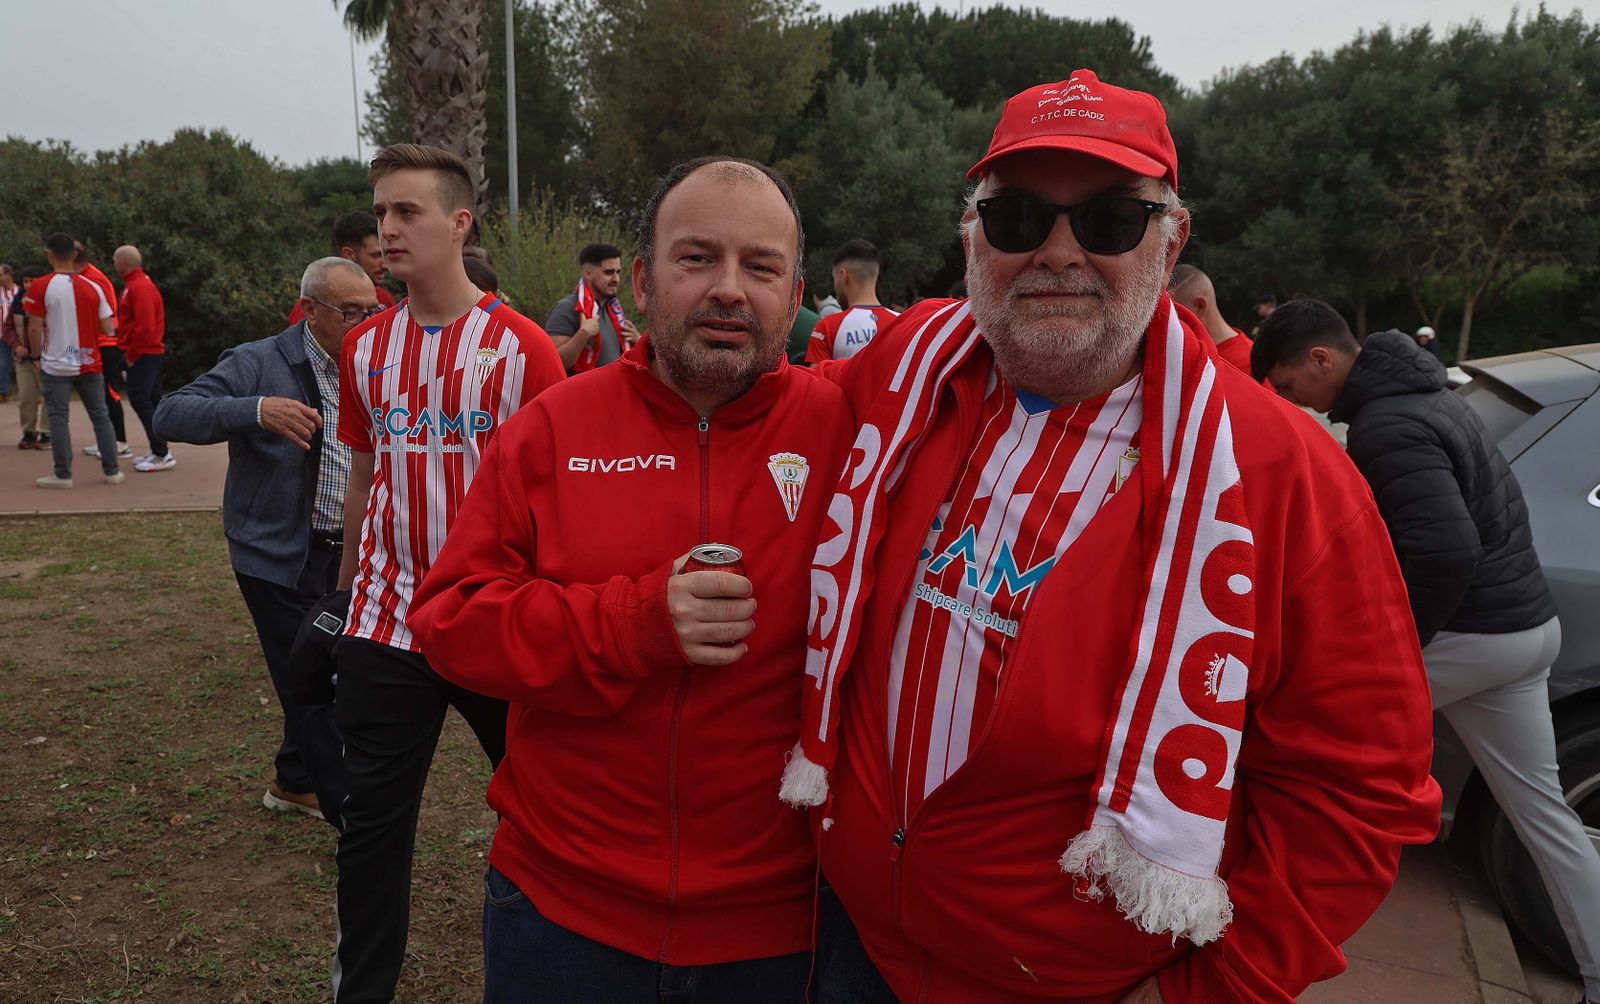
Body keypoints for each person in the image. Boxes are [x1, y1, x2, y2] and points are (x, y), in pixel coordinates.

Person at [782, 71, 1442, 1002]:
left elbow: (1360, 793)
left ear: (1171, 242)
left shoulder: (1283, 474)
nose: (1056, 252)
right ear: (972, 238)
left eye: (1107, 222)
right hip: (857, 947)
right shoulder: (905, 376)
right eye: (1016, 219)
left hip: (1075, 984)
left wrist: (1212, 991)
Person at [408, 156, 853, 1001]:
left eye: (760, 267)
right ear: (642, 283)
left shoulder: (851, 433)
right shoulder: (552, 426)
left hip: (776, 929)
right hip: (562, 914)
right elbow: (450, 619)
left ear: (795, 300)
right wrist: (632, 623)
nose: (729, 289)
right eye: (697, 258)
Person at [1252, 298, 1600, 1004]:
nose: (1297, 405)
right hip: (1527, 632)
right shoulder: (1428, 393)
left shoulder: (1389, 423)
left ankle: (1251, 932)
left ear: (1321, 360)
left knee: (1287, 743)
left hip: (1477, 637)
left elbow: (1444, 548)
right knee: (1544, 816)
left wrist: (1393, 650)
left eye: (1289, 388)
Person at [330, 143, 566, 1003]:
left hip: (495, 619)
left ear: (459, 224)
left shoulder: (524, 348)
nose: (385, 231)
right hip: (387, 623)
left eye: (406, 212)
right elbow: (363, 475)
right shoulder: (364, 349)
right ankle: (362, 989)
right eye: (381, 213)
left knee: (544, 813)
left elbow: (553, 498)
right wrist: (346, 589)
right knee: (371, 830)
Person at [155, 256, 379, 826]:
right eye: (349, 311)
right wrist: (254, 410)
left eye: (371, 309)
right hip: (276, 558)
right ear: (309, 310)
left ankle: (293, 780)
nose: (364, 321)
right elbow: (170, 414)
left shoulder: (377, 360)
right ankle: (349, 814)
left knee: (313, 665)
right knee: (317, 686)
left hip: (348, 550)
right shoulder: (258, 361)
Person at [23, 233, 124, 489]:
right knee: (100, 416)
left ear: (50, 255)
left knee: (58, 418)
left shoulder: (42, 286)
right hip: (88, 359)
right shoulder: (94, 286)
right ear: (74, 254)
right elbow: (107, 327)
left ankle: (63, 474)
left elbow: (34, 328)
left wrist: (36, 356)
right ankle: (112, 471)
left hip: (56, 362)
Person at [112, 245, 173, 471]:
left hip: (145, 353)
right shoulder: (134, 285)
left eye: (115, 260)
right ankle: (159, 448)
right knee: (152, 399)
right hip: (145, 352)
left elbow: (146, 327)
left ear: (122, 262)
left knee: (141, 399)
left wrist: (131, 354)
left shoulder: (140, 287)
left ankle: (161, 452)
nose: (114, 265)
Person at [72, 241, 131, 459]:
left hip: (105, 345)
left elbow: (108, 316)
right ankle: (105, 440)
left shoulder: (94, 278)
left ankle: (120, 442)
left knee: (109, 392)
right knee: (95, 394)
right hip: (88, 345)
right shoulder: (77, 277)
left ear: (75, 254)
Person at [545, 242, 639, 374]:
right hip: (582, 393)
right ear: (588, 274)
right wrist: (583, 334)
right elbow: (553, 363)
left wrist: (639, 342)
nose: (616, 279)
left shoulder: (614, 311)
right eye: (609, 272)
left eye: (618, 272)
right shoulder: (567, 308)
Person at [287, 212, 397, 324]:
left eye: (373, 310)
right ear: (349, 254)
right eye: (375, 255)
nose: (384, 265)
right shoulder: (314, 305)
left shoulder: (384, 299)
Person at [805, 239, 899, 363]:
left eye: (834, 278)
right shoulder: (905, 322)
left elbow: (816, 380)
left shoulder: (827, 327)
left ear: (844, 275)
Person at [1168, 263, 1254, 374]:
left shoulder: (1249, 363)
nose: (1168, 323)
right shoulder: (1186, 355)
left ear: (1200, 306)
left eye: (1174, 314)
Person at [7, 265, 51, 450]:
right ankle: (29, 432)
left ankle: (47, 433)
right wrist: (16, 345)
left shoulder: (51, 301)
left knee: (49, 396)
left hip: (47, 358)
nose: (29, 285)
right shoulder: (16, 303)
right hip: (23, 358)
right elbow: (7, 328)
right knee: (26, 396)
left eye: (33, 281)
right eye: (26, 281)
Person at [0, 263, 15, 402]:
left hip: (19, 335)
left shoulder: (19, 291)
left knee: (26, 364)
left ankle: (33, 393)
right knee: (4, 363)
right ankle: (2, 392)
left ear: (8, 275)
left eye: (0, 274)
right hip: (2, 334)